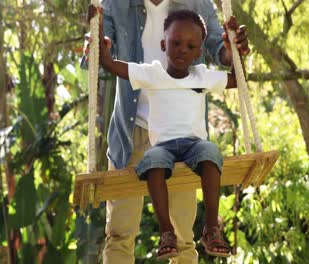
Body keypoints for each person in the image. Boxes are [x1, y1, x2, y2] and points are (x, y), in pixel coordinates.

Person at [83, 1, 249, 263]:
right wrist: (96, 41)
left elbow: (222, 53)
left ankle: (209, 229)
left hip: (184, 138)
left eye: (190, 47)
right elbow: (103, 58)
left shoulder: (198, 4)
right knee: (119, 234)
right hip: (131, 132)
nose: (183, 50)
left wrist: (234, 52)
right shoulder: (115, 3)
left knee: (184, 239)